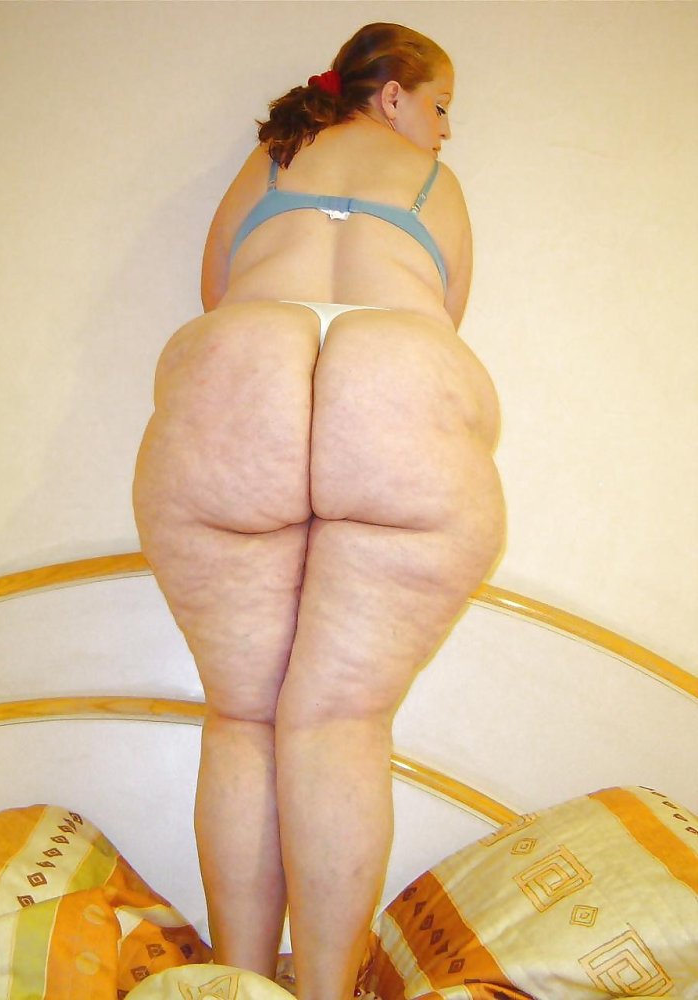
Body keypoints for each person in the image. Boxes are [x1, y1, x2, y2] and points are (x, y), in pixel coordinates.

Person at [133, 22, 505, 1000]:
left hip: (245, 364)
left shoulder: (273, 157)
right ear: (393, 96)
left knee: (242, 716)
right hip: (392, 371)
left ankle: (243, 985)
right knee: (339, 720)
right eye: (440, 106)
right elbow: (445, 318)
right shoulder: (435, 183)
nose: (445, 130)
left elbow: (216, 291)